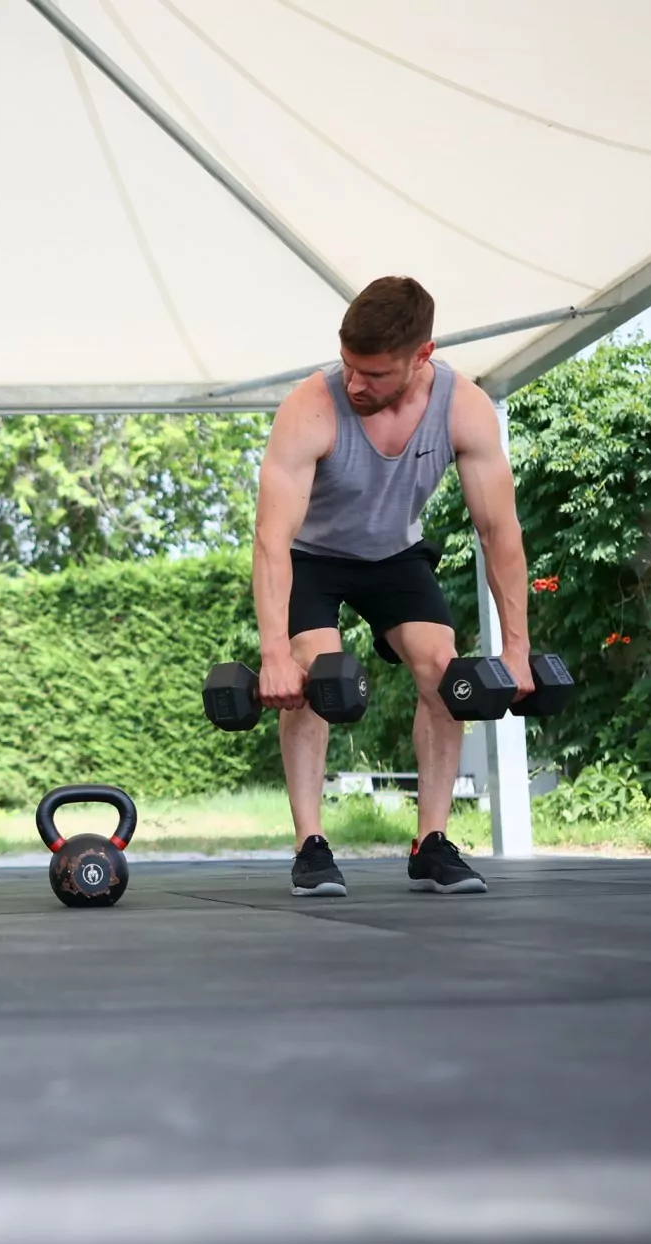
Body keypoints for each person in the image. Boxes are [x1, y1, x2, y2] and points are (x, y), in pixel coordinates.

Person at [254, 276, 535, 897]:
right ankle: (311, 845)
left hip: (394, 553)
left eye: (375, 374)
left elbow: (500, 533)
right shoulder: (311, 407)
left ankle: (431, 843)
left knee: (445, 669)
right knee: (313, 672)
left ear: (422, 357)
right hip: (312, 555)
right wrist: (274, 652)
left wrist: (517, 648)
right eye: (350, 367)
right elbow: (273, 539)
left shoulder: (464, 408)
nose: (356, 384)